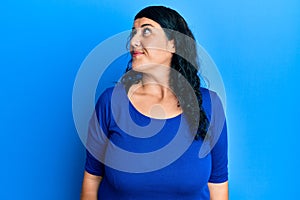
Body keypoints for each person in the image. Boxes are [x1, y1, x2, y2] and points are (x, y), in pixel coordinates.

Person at [81, 5, 228, 200]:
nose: (134, 41)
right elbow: (92, 179)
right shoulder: (111, 103)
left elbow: (217, 184)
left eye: (147, 31)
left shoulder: (210, 105)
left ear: (173, 44)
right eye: (133, 33)